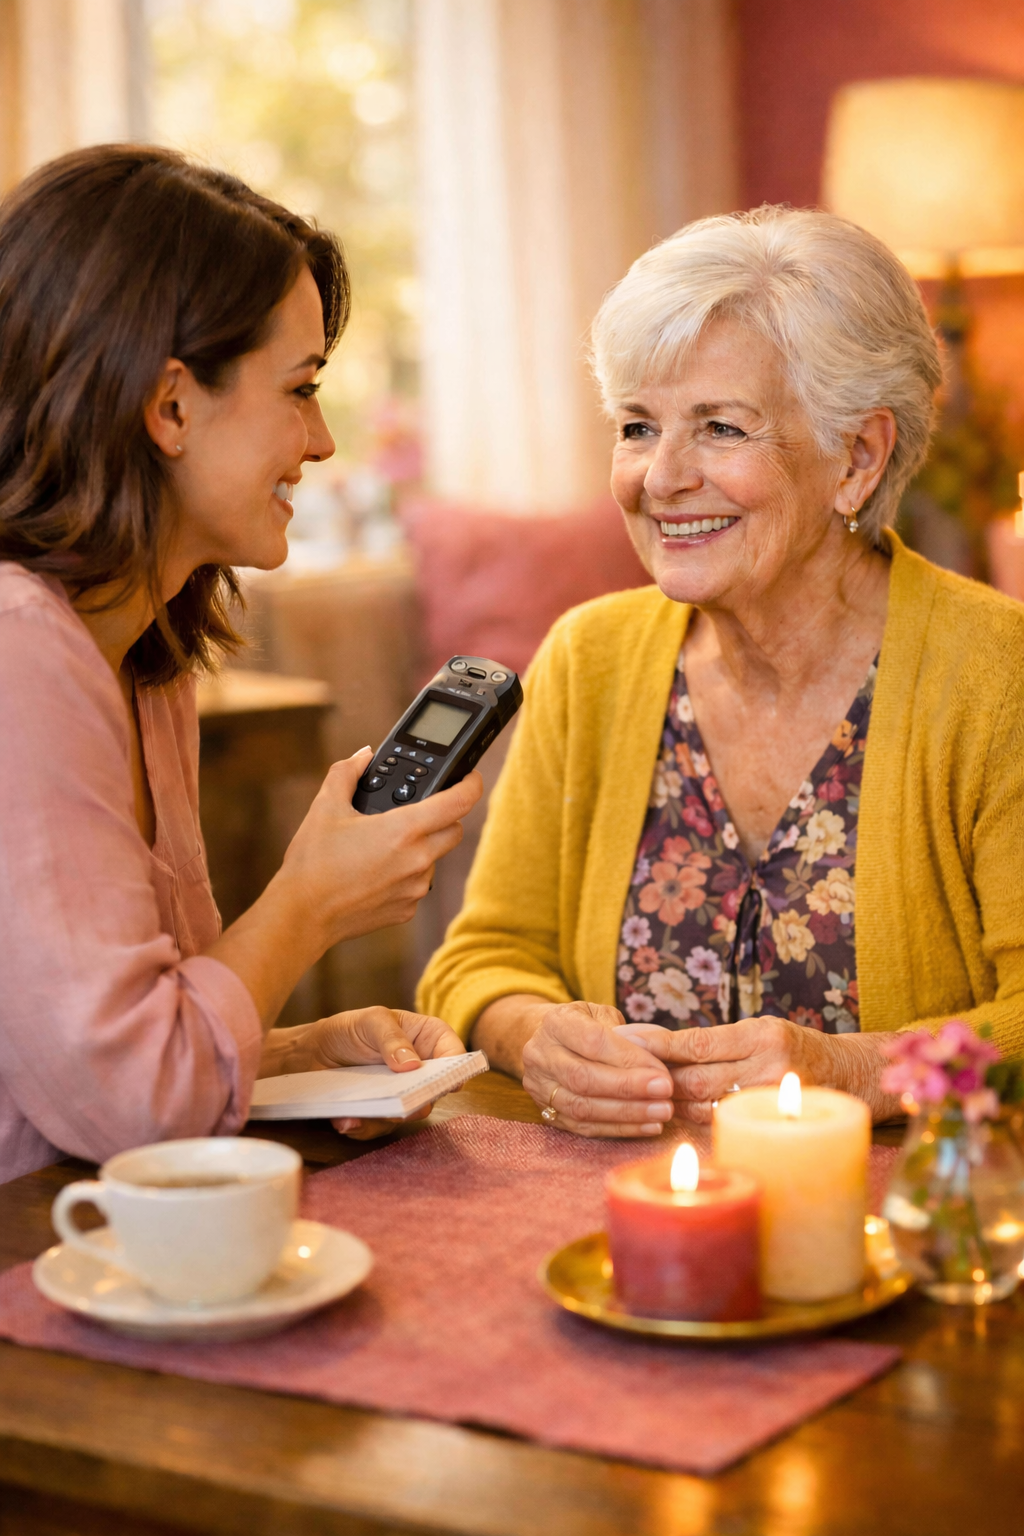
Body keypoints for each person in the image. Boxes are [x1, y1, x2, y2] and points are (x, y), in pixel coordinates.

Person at [418, 205, 1024, 1137]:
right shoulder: (589, 659)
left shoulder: (996, 672)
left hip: (913, 1237)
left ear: (857, 458)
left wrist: (856, 1067)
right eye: (637, 426)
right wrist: (534, 1033)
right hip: (618, 1234)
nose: (659, 477)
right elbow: (481, 957)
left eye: (720, 428)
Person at [0, 146, 481, 1182]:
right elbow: (130, 1107)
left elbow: (122, 1054)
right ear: (169, 406)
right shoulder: (17, 653)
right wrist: (309, 900)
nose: (320, 442)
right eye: (300, 389)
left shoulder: (143, 653)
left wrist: (303, 1052)